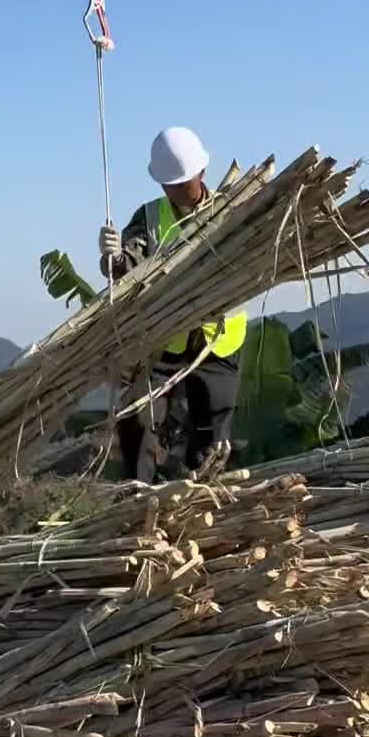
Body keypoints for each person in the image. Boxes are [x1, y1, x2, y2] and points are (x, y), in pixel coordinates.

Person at [99, 126, 247, 481]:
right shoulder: (149, 218)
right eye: (169, 185)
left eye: (183, 183)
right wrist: (114, 259)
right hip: (163, 343)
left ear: (202, 173)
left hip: (218, 342)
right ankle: (137, 502)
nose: (176, 191)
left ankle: (200, 504)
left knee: (211, 438)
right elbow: (126, 267)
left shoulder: (234, 211)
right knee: (137, 420)